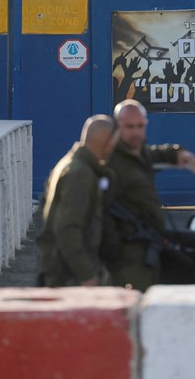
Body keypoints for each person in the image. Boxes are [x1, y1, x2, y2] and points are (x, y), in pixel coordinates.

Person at [104, 99, 195, 291]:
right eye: (129, 127)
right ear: (117, 126)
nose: (136, 132)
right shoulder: (110, 162)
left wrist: (177, 153)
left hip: (148, 245)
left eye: (140, 126)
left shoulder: (139, 154)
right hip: (125, 251)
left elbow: (155, 154)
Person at [38, 115, 117, 287]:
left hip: (61, 271)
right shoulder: (80, 174)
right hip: (68, 277)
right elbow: (67, 230)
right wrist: (86, 274)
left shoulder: (70, 164)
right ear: (106, 142)